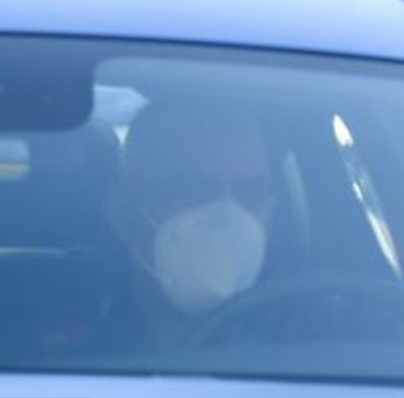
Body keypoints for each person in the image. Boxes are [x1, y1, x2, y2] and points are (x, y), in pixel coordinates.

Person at [106, 102, 277, 347]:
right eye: (195, 191)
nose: (228, 216)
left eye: (253, 193)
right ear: (124, 213)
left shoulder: (317, 333)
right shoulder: (66, 348)